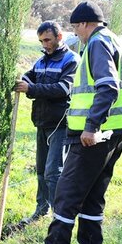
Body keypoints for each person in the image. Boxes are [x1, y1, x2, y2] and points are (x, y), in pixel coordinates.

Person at [27, 1, 122, 244]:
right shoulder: (115, 41)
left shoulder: (97, 43)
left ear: (85, 23)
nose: (77, 33)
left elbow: (107, 87)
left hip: (94, 136)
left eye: (76, 28)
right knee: (93, 194)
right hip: (115, 132)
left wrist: (91, 126)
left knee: (68, 192)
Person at [14, 21, 79, 221]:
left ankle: (57, 215)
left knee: (53, 172)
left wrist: (31, 89)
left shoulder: (71, 60)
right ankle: (41, 210)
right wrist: (23, 80)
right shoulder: (41, 61)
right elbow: (29, 75)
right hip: (41, 122)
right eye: (42, 41)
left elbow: (63, 89)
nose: (45, 45)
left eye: (48, 40)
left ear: (60, 37)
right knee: (41, 170)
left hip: (60, 123)